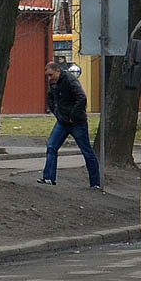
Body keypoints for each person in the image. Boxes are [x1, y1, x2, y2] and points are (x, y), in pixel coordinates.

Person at [38, 61, 101, 189]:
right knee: (51, 146)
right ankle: (48, 178)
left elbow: (82, 98)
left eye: (50, 75)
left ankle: (95, 183)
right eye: (47, 76)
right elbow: (50, 98)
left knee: (87, 151)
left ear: (58, 71)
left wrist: (73, 115)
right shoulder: (53, 84)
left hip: (77, 122)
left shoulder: (70, 80)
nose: (49, 78)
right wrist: (57, 114)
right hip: (62, 121)